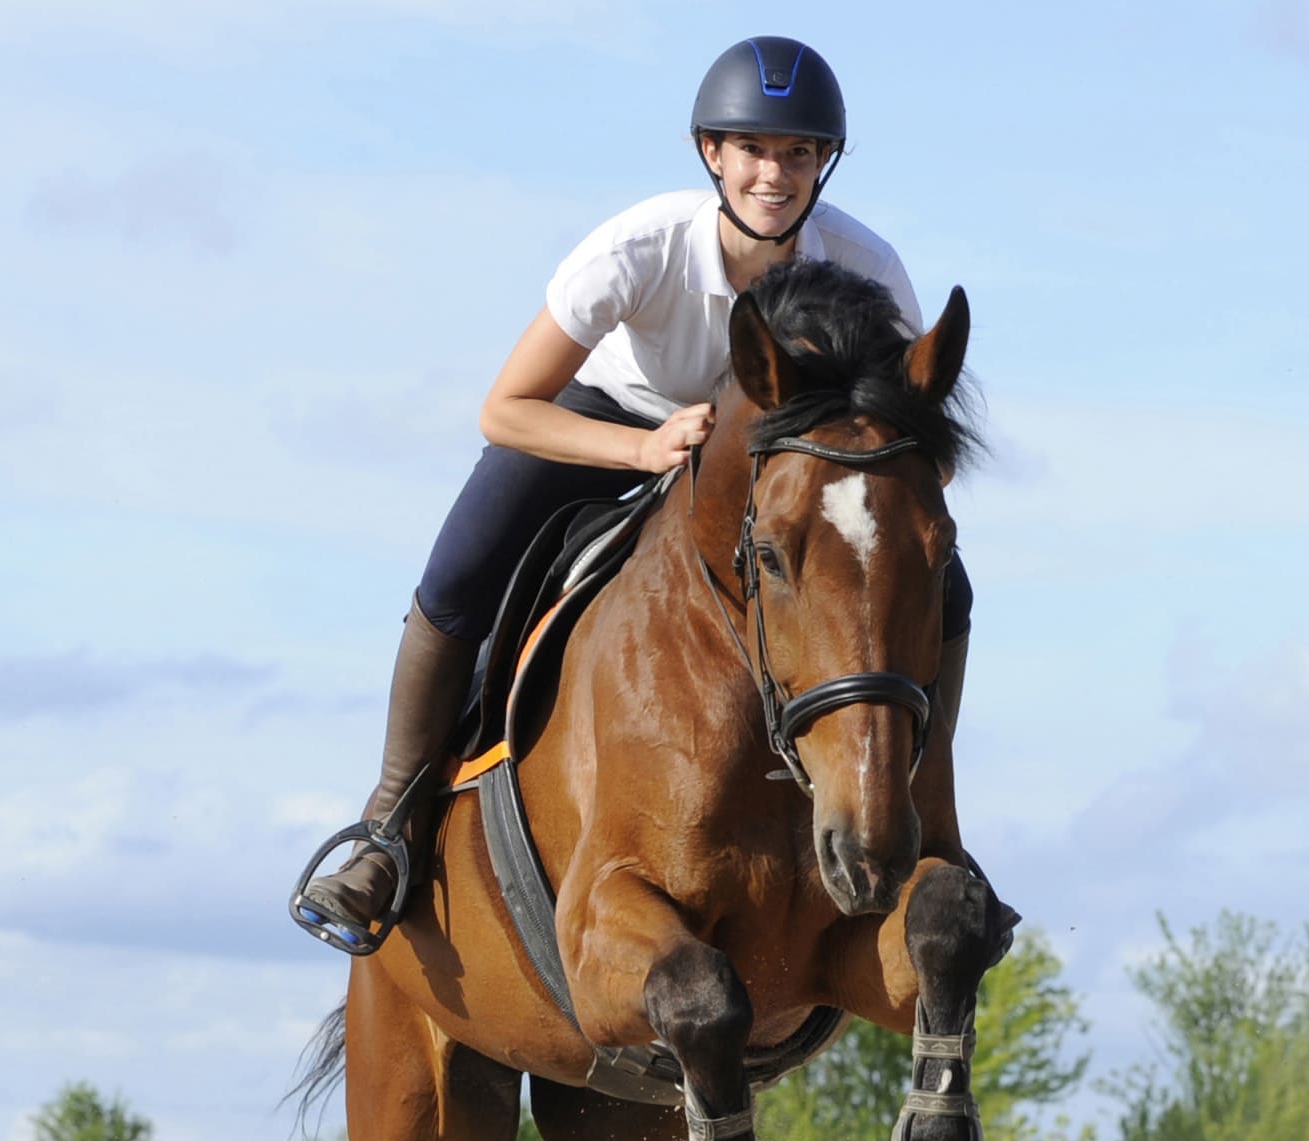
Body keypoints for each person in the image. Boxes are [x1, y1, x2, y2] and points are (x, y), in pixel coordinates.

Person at [291, 36, 973, 955]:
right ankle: (390, 825)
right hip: (608, 422)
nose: (776, 174)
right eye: (755, 150)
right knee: (457, 579)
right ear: (712, 155)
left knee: (947, 584)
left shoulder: (867, 267)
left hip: (774, 467)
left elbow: (897, 433)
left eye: (799, 154)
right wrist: (644, 445)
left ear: (823, 165)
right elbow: (505, 409)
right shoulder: (638, 248)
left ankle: (929, 819)